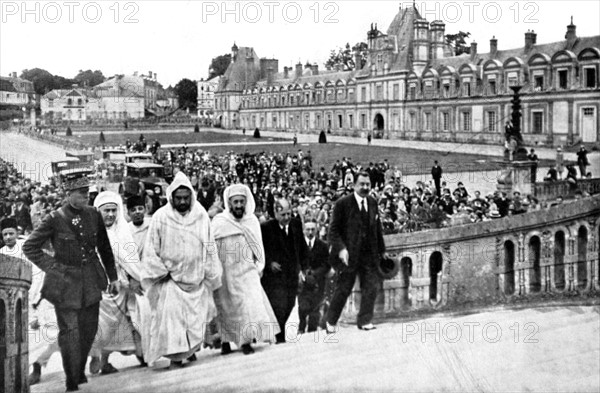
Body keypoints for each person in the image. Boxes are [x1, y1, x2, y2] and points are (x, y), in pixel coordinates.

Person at [23, 172, 120, 392]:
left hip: (92, 280)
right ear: (68, 194)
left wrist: (113, 277)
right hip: (65, 284)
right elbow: (30, 247)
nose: (86, 196)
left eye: (87, 192)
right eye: (81, 193)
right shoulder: (54, 219)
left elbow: (104, 248)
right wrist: (54, 267)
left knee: (89, 329)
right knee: (69, 332)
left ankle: (78, 368)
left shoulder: (94, 215)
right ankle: (71, 380)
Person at [141, 172, 222, 368]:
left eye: (186, 198)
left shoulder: (201, 215)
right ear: (171, 198)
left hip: (195, 278)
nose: (183, 202)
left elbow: (209, 246)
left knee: (194, 320)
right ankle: (175, 359)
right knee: (172, 322)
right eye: (179, 198)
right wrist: (162, 271)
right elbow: (151, 249)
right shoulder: (161, 217)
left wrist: (210, 272)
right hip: (170, 280)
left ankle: (189, 350)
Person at [211, 184, 279, 355]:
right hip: (225, 270)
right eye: (236, 202)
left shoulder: (252, 221)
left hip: (246, 269)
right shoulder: (219, 221)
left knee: (248, 303)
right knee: (226, 306)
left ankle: (246, 341)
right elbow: (211, 247)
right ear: (229, 203)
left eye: (242, 201)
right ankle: (226, 340)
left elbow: (258, 248)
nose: (239, 205)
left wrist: (259, 266)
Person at [89, 191, 144, 375]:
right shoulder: (90, 232)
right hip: (97, 284)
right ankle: (95, 355)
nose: (110, 214)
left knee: (115, 325)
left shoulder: (123, 232)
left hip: (119, 285)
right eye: (106, 211)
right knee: (97, 323)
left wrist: (135, 278)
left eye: (114, 210)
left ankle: (105, 360)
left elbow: (131, 260)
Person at [325, 171, 388, 332]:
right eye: (362, 184)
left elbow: (377, 229)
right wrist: (341, 249)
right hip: (349, 256)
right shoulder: (342, 204)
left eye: (368, 184)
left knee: (371, 287)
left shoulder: (373, 202)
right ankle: (330, 321)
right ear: (354, 185)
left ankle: (365, 320)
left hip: (369, 255)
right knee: (344, 289)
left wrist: (382, 250)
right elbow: (333, 231)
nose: (365, 187)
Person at [261, 198, 308, 343]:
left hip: (291, 273)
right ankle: (279, 336)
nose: (287, 218)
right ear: (275, 213)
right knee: (278, 306)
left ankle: (279, 332)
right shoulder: (266, 228)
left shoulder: (296, 224)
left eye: (289, 214)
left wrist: (304, 268)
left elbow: (302, 247)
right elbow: (259, 250)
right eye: (283, 215)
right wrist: (269, 263)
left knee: (289, 304)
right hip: (274, 277)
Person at [297, 218, 330, 334]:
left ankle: (312, 331)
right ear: (303, 230)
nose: (310, 232)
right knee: (302, 306)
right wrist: (302, 273)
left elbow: (327, 264)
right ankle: (301, 327)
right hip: (303, 282)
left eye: (313, 229)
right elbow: (295, 261)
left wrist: (315, 274)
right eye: (307, 230)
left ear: (317, 230)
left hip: (318, 282)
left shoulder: (323, 245)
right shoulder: (298, 245)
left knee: (315, 310)